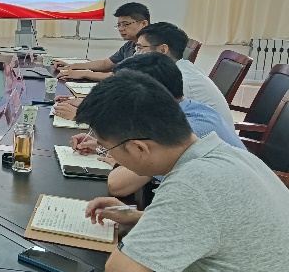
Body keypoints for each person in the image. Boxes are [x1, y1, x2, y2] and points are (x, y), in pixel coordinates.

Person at [74, 71, 289, 272]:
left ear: (139, 147)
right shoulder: (225, 154)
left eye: (106, 149)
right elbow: (215, 225)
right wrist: (137, 217)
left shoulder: (192, 184)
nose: (108, 157)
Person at [70, 53, 246, 197]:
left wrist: (115, 155)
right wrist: (106, 145)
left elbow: (118, 185)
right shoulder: (184, 110)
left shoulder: (190, 129)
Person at [133, 22, 234, 126]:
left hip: (206, 134)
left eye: (140, 48)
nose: (135, 54)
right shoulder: (180, 66)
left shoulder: (180, 81)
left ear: (163, 50)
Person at [55, 2, 150, 81]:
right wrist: (73, 66)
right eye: (119, 25)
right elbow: (106, 64)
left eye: (126, 24)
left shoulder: (151, 47)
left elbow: (127, 76)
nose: (121, 29)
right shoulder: (130, 45)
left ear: (143, 23)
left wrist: (85, 74)